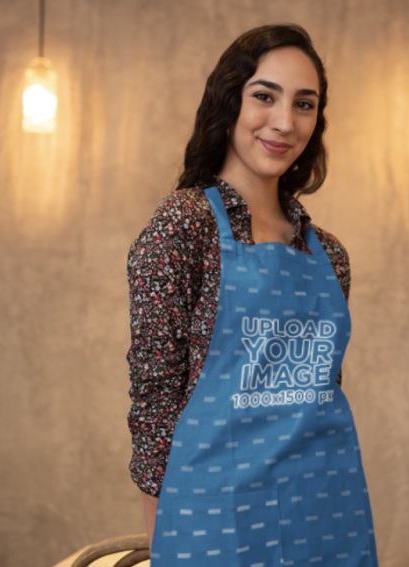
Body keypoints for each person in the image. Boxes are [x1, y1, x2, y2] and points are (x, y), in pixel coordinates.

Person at [126, 23, 378, 566]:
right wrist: (162, 542)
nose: (285, 122)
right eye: (265, 96)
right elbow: (155, 397)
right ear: (229, 101)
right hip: (215, 520)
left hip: (327, 512)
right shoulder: (184, 226)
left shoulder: (328, 254)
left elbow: (320, 396)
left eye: (305, 104)